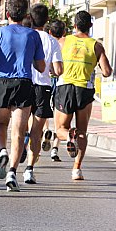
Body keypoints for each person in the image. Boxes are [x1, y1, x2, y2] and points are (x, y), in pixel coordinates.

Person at [0, 0, 45, 192]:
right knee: (18, 131)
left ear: (7, 14)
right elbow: (41, 67)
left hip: (2, 81)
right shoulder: (33, 35)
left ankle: (2, 151)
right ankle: (12, 173)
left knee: (0, 123)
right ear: (26, 15)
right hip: (24, 83)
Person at [54, 11, 112, 180]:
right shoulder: (96, 45)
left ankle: (68, 136)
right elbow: (107, 72)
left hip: (65, 87)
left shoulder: (63, 41)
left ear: (74, 25)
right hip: (85, 90)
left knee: (60, 129)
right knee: (82, 132)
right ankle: (77, 169)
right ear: (90, 26)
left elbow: (53, 63)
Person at [21, 4, 63, 184]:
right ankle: (29, 169)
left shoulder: (24, 36)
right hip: (43, 87)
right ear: (47, 21)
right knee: (37, 131)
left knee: (20, 124)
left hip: (24, 84)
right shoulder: (52, 41)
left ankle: (21, 144)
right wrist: (52, 71)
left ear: (30, 17)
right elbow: (59, 69)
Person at [47, 20, 66, 162]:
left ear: (50, 32)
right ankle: (55, 147)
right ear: (64, 32)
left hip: (47, 79)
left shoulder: (47, 42)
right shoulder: (67, 44)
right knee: (58, 118)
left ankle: (45, 131)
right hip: (62, 81)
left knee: (42, 111)